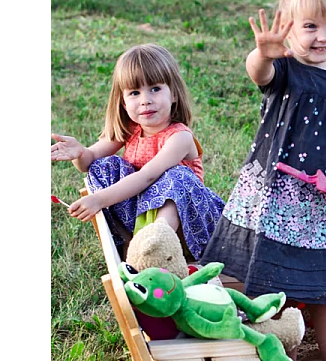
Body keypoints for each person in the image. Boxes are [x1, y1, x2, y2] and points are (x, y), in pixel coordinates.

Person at [201, 0, 326, 361]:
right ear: (288, 26)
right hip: (279, 202)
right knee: (276, 297)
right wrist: (263, 52)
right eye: (310, 25)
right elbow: (258, 73)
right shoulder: (284, 70)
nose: (323, 37)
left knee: (325, 298)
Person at [49, 43, 225, 260]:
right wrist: (79, 153)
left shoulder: (180, 137)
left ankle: (159, 246)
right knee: (103, 166)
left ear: (174, 95)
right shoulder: (130, 130)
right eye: (134, 92)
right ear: (123, 102)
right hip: (142, 217)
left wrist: (99, 200)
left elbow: (147, 176)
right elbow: (89, 162)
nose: (145, 100)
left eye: (155, 89)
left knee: (177, 177)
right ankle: (130, 245)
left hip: (187, 224)